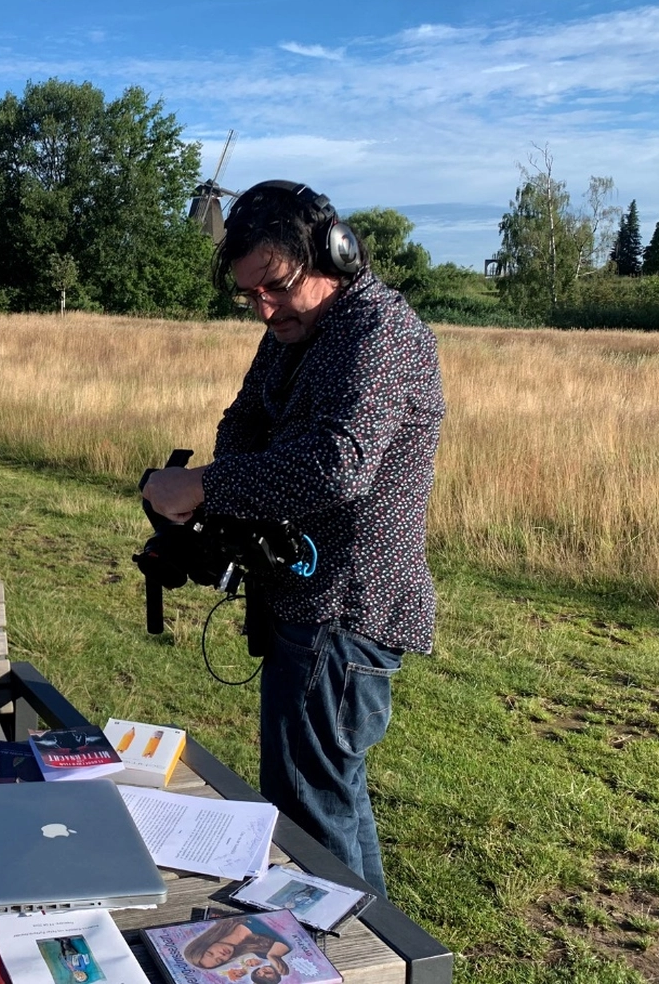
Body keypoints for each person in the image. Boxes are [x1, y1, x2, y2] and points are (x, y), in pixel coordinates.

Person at [142, 180, 444, 896]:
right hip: (305, 602)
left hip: (342, 609)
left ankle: (346, 945)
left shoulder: (379, 334)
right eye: (249, 295)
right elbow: (242, 418)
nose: (265, 308)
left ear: (335, 255)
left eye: (276, 287)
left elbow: (338, 466)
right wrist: (230, 488)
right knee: (325, 799)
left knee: (309, 812)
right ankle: (373, 942)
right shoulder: (296, 330)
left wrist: (204, 486)